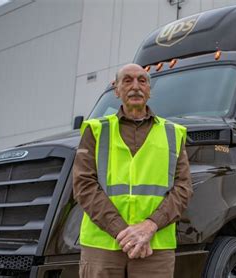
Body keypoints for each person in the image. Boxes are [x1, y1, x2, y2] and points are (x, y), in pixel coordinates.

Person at [73, 63, 192, 277]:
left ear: (149, 91)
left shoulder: (173, 133)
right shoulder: (96, 130)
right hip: (103, 246)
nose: (135, 86)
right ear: (116, 90)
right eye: (127, 80)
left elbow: (183, 188)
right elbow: (84, 186)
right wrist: (124, 233)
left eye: (142, 80)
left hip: (154, 247)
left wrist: (149, 227)